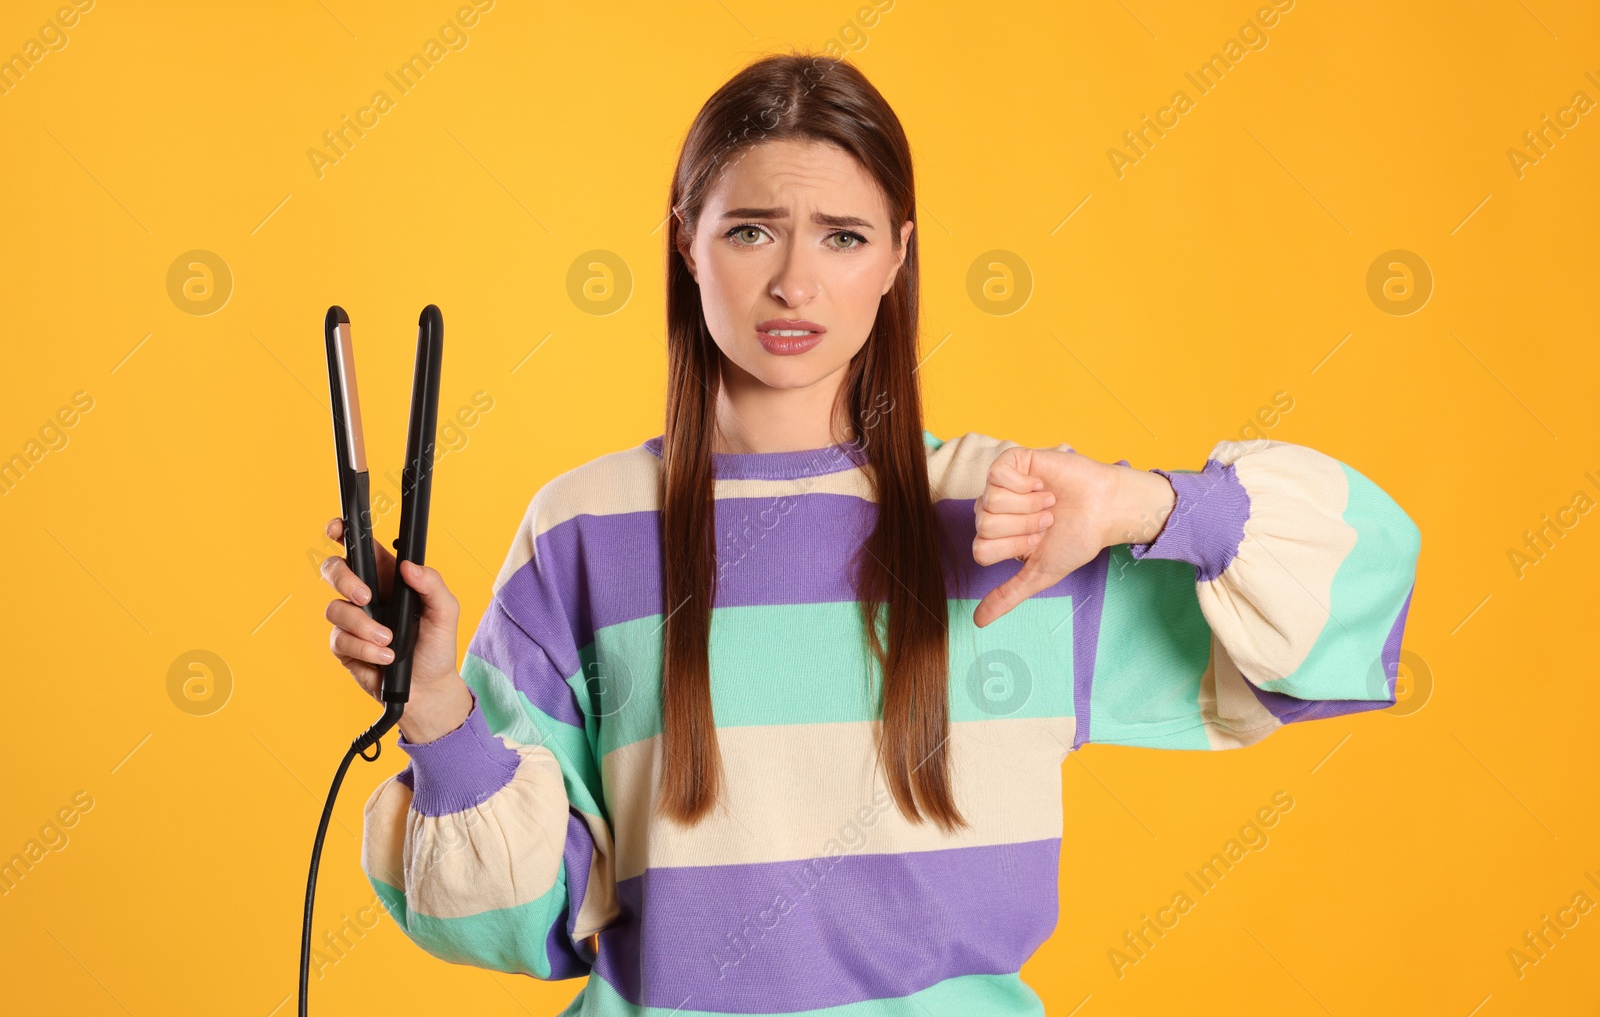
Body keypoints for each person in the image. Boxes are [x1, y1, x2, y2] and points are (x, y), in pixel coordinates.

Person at [320, 52, 1420, 1015]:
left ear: (895, 257)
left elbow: (1350, 609)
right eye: (750, 229)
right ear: (686, 245)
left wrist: (1144, 505)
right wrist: (436, 709)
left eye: (840, 237)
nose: (794, 281)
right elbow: (530, 921)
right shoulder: (583, 528)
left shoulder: (1020, 513)